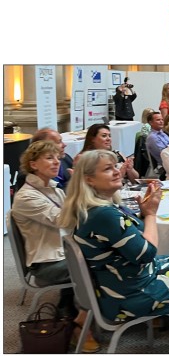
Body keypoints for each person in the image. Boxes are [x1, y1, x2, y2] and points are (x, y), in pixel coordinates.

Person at [58, 150, 169, 352]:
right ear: (89, 180)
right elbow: (146, 253)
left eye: (115, 166)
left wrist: (143, 213)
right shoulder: (105, 214)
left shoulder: (92, 209)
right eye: (108, 169)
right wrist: (151, 214)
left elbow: (124, 237)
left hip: (114, 286)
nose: (117, 171)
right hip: (131, 295)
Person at [12, 141, 101, 352]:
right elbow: (64, 220)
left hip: (62, 252)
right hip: (46, 264)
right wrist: (83, 184)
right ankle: (81, 323)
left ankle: (83, 313)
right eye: (49, 158)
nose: (56, 162)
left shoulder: (54, 189)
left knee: (104, 254)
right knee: (100, 265)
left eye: (57, 158)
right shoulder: (26, 196)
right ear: (33, 165)